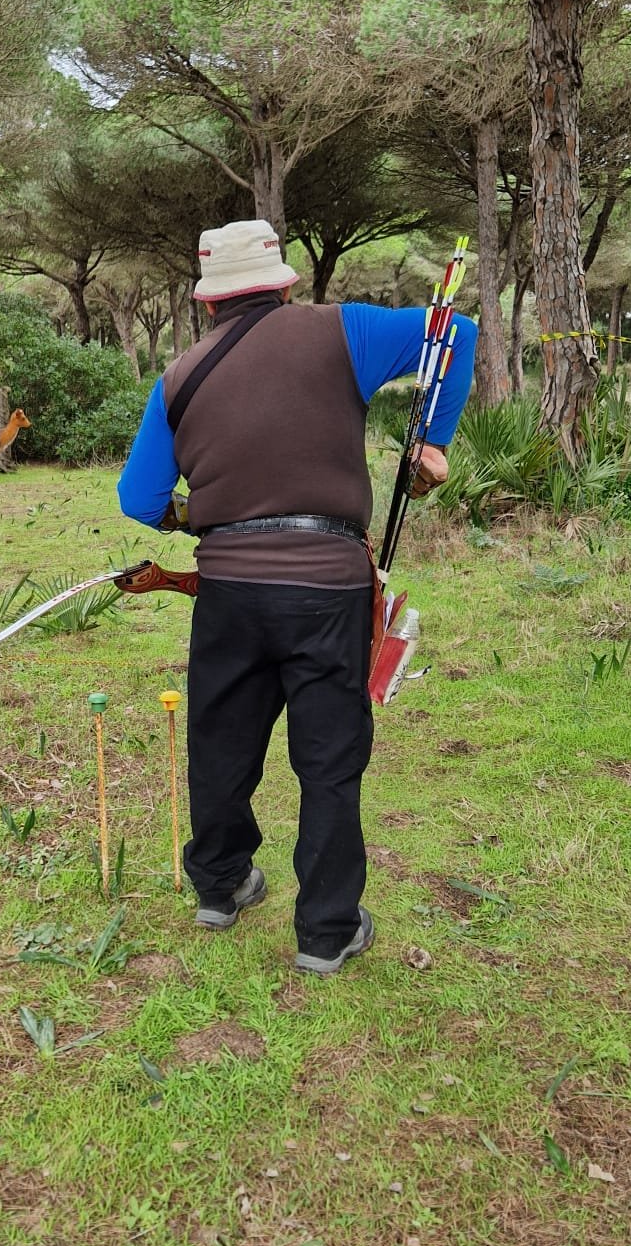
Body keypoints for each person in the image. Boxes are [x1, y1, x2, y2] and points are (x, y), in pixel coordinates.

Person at [117, 219, 477, 975]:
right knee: (328, 758)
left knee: (220, 742)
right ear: (283, 283)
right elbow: (454, 331)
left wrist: (202, 515)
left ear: (207, 301)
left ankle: (218, 888)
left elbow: (140, 498)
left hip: (228, 589)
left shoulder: (180, 374)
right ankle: (325, 930)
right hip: (328, 582)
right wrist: (431, 442)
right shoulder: (342, 329)